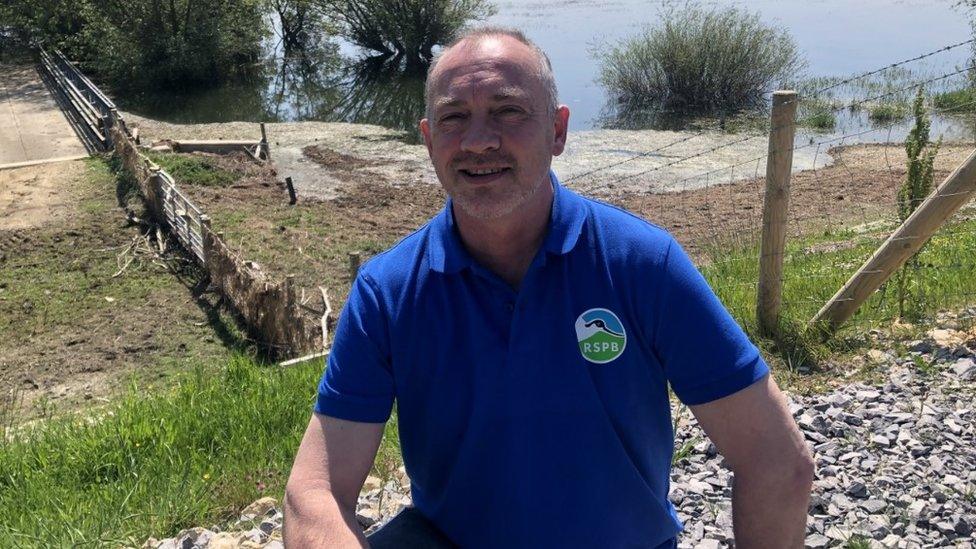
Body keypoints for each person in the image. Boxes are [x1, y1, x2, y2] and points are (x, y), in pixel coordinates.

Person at [284, 27, 814, 549]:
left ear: (557, 132)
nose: (478, 140)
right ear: (428, 140)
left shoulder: (640, 263)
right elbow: (314, 493)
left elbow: (776, 459)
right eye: (454, 117)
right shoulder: (388, 291)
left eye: (508, 111)